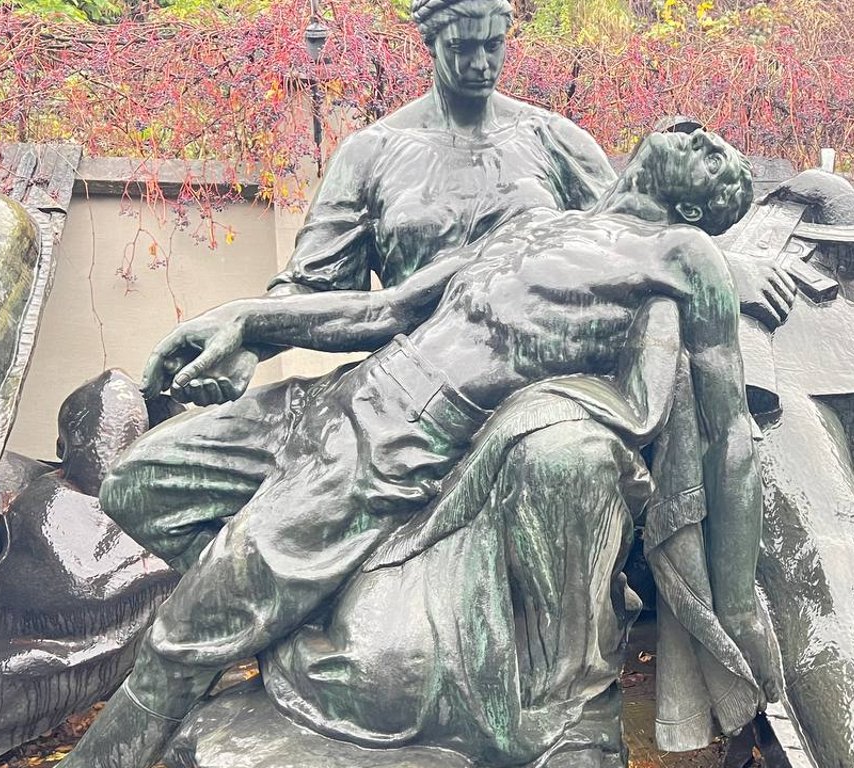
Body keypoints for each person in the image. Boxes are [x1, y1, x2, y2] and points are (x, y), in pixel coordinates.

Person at [64, 129, 780, 768]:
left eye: (716, 157)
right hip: (338, 397)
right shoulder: (535, 224)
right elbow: (386, 309)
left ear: (693, 209)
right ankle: (297, 604)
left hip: (400, 444)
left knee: (185, 636)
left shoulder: (681, 253)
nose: (701, 134)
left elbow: (730, 438)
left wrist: (739, 603)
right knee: (137, 485)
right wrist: (248, 320)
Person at [98, 0, 618, 572]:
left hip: (528, 387)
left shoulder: (554, 141)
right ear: (431, 43)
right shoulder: (374, 152)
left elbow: (625, 253)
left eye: (492, 45)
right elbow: (312, 286)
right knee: (138, 483)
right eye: (462, 47)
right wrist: (250, 343)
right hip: (394, 386)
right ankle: (302, 606)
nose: (480, 64)